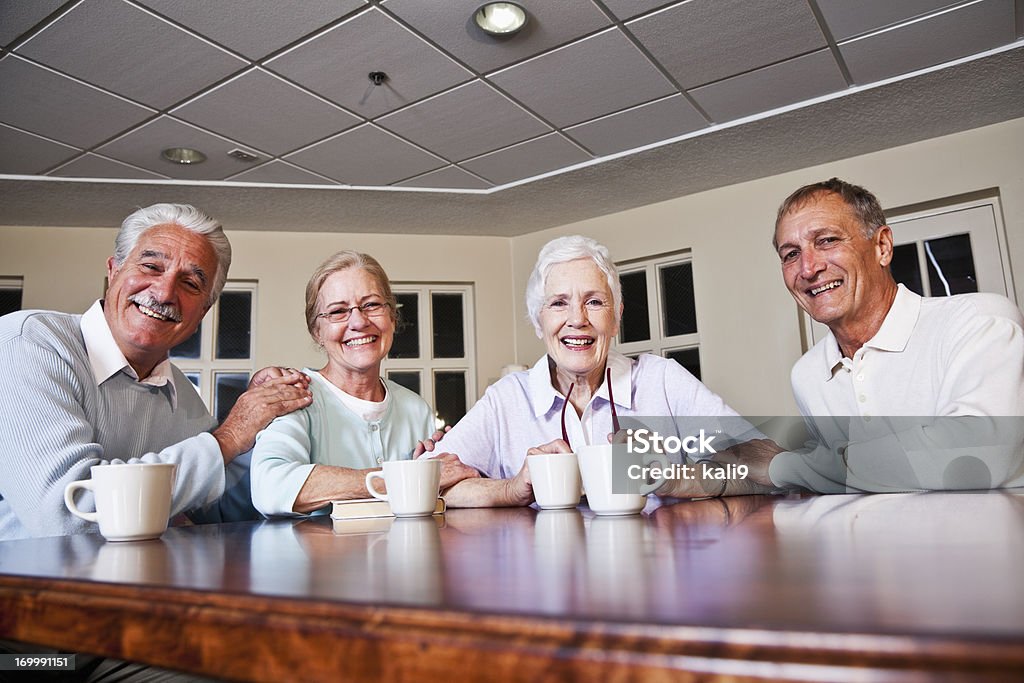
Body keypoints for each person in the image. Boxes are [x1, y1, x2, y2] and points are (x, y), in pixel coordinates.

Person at [0, 203, 313, 541]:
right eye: (151, 266)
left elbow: (217, 508)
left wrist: (264, 422)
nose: (164, 292)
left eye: (190, 283)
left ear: (204, 311)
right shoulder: (29, 342)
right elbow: (68, 515)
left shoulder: (182, 395)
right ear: (113, 270)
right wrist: (230, 436)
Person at [423, 235, 768, 507]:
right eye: (559, 303)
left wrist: (674, 479)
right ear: (538, 321)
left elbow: (766, 467)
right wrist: (513, 489)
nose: (577, 319)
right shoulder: (507, 398)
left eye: (594, 301)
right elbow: (431, 483)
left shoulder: (662, 380)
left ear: (616, 316)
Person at [736, 177, 1024, 492]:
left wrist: (784, 466)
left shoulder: (980, 322)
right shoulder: (806, 375)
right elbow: (845, 481)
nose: (807, 268)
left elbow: (976, 455)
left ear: (882, 247)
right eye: (790, 254)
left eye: (828, 240)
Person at [250, 251, 478, 516]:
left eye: (371, 305)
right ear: (317, 331)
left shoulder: (416, 409)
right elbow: (270, 488)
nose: (358, 322)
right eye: (338, 311)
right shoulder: (293, 398)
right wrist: (408, 478)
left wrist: (440, 470)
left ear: (392, 317)